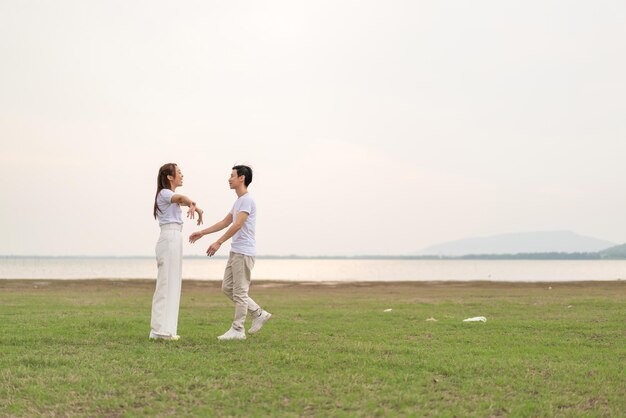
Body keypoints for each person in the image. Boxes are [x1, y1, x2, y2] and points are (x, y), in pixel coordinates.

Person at [189, 165, 271, 340]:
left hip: (244, 252)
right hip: (236, 252)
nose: (229, 178)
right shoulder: (238, 201)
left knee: (240, 292)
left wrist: (219, 242)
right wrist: (202, 233)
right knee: (228, 288)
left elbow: (238, 224)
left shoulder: (247, 200)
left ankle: (238, 329)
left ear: (242, 178)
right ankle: (258, 313)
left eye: (232, 175)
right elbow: (225, 222)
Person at [151, 163, 203, 341]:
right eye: (178, 172)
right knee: (165, 284)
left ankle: (167, 329)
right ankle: (158, 330)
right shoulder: (165, 193)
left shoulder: (169, 196)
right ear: (169, 177)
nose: (182, 174)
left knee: (173, 284)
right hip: (169, 237)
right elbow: (180, 198)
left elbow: (180, 200)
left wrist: (196, 208)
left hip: (174, 237)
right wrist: (191, 203)